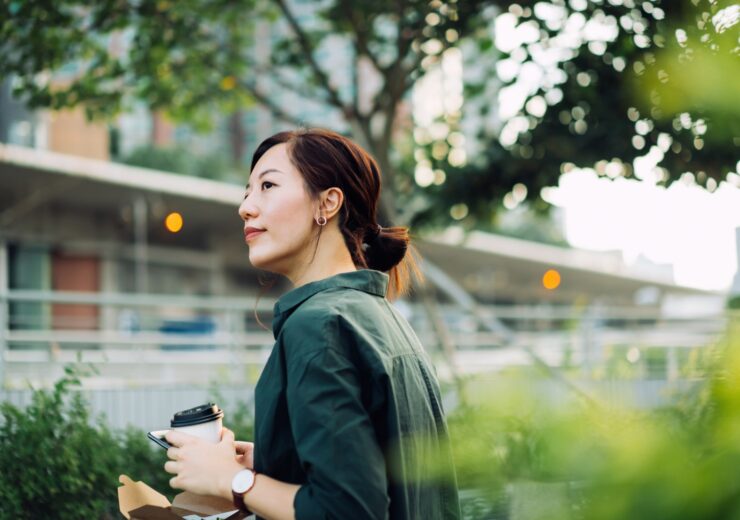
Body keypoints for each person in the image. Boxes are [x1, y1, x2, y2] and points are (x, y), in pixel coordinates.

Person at [163, 128, 461, 519]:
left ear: (328, 202)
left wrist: (232, 482)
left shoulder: (319, 326)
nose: (246, 207)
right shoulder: (378, 315)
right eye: (246, 191)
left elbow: (346, 510)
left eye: (268, 185)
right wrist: (270, 460)